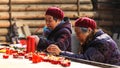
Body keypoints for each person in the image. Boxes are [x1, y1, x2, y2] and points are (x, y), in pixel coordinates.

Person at [47, 17, 120, 65]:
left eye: (78, 33)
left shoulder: (101, 42)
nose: (77, 37)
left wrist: (61, 53)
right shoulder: (92, 39)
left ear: (89, 30)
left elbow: (86, 60)